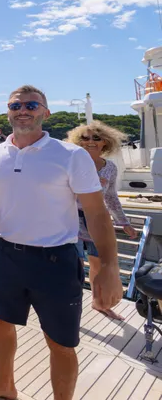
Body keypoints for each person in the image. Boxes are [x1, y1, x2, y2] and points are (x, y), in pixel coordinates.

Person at [0, 85, 123, 400]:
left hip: (56, 261)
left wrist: (109, 265)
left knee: (61, 343)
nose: (23, 109)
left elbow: (96, 212)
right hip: (4, 255)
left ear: (45, 112)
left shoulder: (71, 155)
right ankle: (5, 385)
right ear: (8, 111)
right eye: (16, 104)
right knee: (0, 323)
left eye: (32, 104)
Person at [66, 121, 137, 320]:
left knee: (98, 264)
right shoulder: (72, 163)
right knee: (74, 264)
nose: (90, 141)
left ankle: (100, 303)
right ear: (78, 141)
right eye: (85, 137)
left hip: (98, 219)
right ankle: (71, 305)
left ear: (106, 142)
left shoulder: (110, 168)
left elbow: (111, 197)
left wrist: (124, 222)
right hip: (73, 218)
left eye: (96, 138)